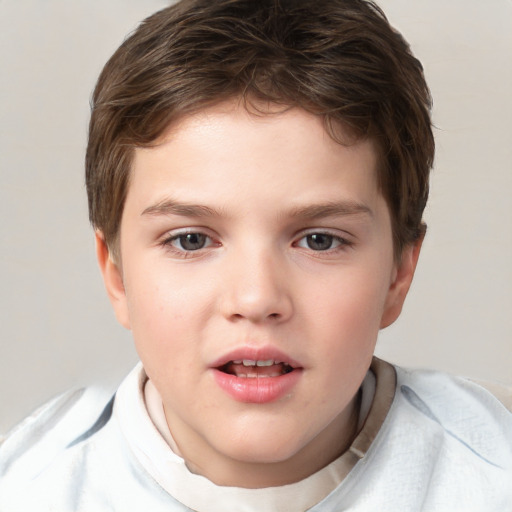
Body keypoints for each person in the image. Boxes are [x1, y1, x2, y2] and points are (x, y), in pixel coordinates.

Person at [0, 0, 510, 510]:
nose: (256, 298)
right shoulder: (28, 490)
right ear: (116, 275)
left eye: (319, 240)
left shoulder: (492, 475)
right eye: (191, 240)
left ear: (400, 272)